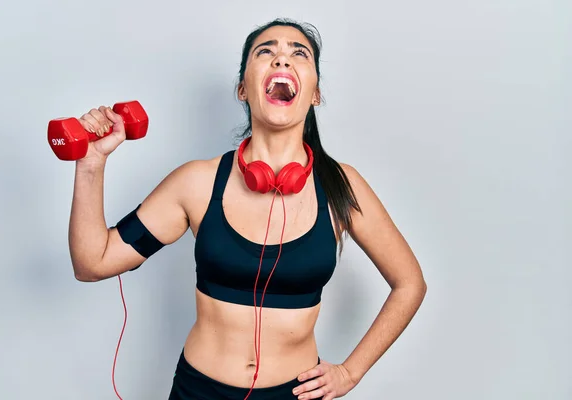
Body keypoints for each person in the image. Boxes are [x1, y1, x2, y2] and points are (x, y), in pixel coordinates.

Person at [68, 18, 427, 400]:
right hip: (198, 392)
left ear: (316, 93)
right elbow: (93, 263)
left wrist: (351, 373)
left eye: (298, 53)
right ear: (243, 88)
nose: (282, 60)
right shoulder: (197, 183)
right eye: (266, 52)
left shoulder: (342, 186)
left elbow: (410, 284)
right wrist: (91, 165)